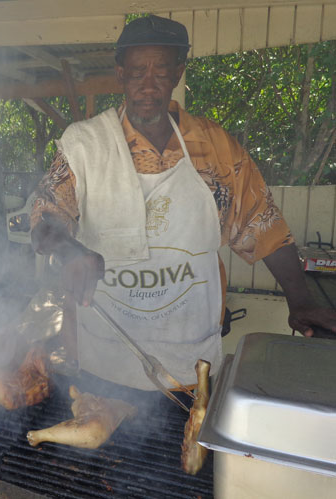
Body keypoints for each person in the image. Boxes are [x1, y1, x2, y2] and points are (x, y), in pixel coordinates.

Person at [30, 15, 336, 390]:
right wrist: (70, 249)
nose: (148, 84)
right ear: (120, 74)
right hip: (107, 359)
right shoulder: (84, 145)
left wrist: (300, 300)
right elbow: (45, 218)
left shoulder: (216, 148)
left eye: (160, 71)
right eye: (138, 70)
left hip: (189, 360)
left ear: (177, 73)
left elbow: (263, 223)